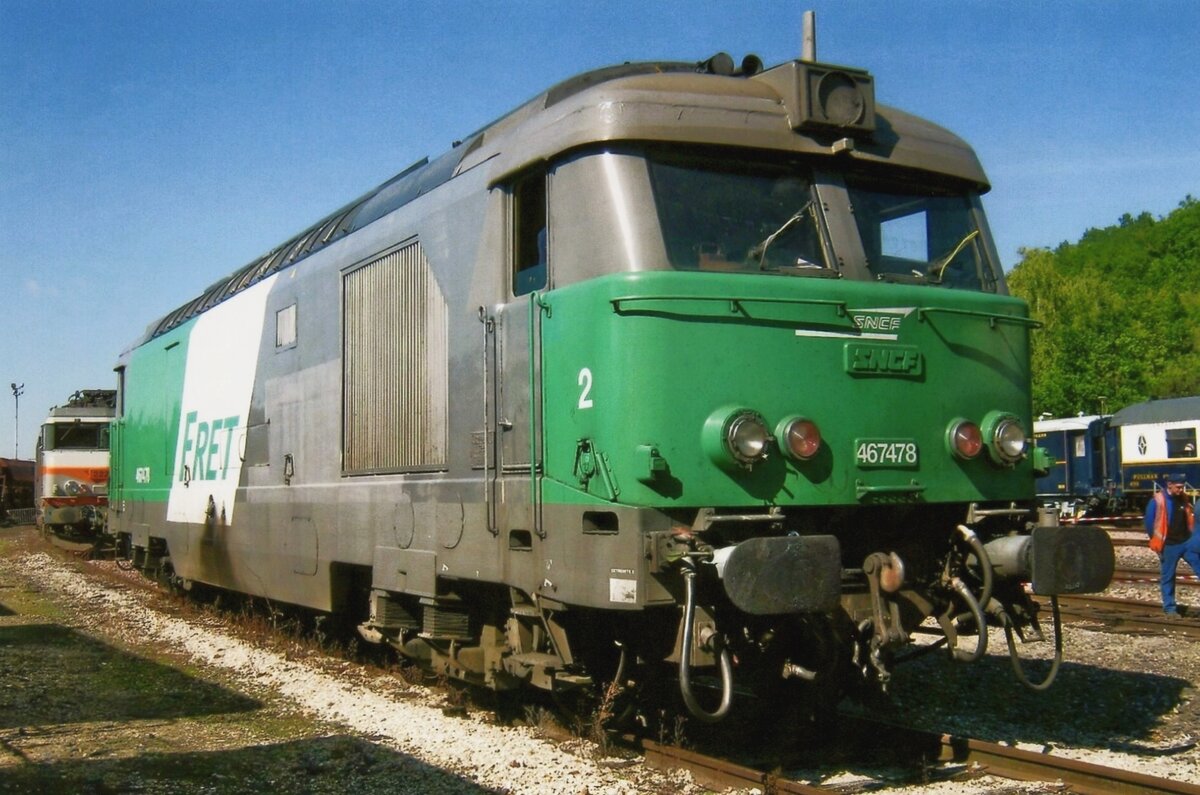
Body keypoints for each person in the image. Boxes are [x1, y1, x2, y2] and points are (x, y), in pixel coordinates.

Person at [1144, 474, 1199, 617]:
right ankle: (1170, 608)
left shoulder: (1183, 498)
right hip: (1168, 545)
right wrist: (1156, 543)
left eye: (1182, 487)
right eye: (1178, 487)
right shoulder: (1158, 501)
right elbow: (1149, 524)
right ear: (1169, 485)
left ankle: (1170, 608)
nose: (1181, 490)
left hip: (1186, 542)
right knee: (1168, 577)